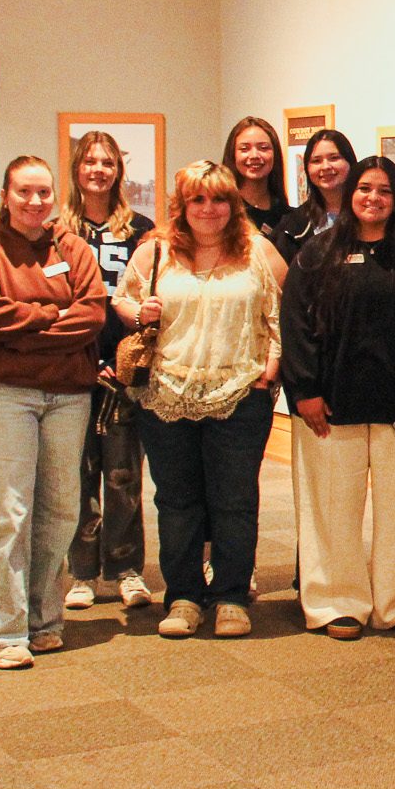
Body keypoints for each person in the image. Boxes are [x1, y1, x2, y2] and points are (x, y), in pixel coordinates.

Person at [114, 161, 285, 639]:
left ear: (233, 204)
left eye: (219, 199)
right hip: (165, 394)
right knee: (178, 502)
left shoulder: (258, 252)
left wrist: (270, 371)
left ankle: (230, 595)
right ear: (182, 205)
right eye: (198, 199)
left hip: (239, 395)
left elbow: (286, 315)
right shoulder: (156, 252)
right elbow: (121, 300)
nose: (209, 209)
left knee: (234, 500)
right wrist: (136, 312)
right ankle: (184, 596)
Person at [281, 156, 395, 640]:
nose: (373, 198)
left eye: (385, 190)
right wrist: (304, 390)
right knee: (330, 508)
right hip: (330, 407)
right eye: (365, 188)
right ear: (351, 194)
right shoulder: (317, 253)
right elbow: (297, 326)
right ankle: (335, 601)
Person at [0, 156, 106, 669]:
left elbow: (92, 315)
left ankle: (43, 620)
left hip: (69, 396)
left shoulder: (73, 248)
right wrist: (52, 316)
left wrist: (28, 332)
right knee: (9, 512)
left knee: (62, 509)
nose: (35, 201)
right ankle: (0, 634)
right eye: (24, 191)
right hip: (6, 394)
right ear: (5, 194)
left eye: (44, 192)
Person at [58, 132, 156, 612]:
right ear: (76, 168)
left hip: (126, 371)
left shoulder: (140, 228)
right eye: (90, 161)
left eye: (108, 162)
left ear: (119, 170)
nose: (98, 170)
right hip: (70, 369)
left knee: (123, 475)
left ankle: (127, 568)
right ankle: (81, 572)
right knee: (77, 475)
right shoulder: (56, 230)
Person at [270, 129, 354, 265]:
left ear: (350, 162)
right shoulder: (293, 226)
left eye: (334, 158)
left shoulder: (367, 216)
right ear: (307, 169)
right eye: (316, 161)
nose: (326, 166)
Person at [224, 116, 291, 237]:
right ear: (233, 154)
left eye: (263, 148)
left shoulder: (289, 217)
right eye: (244, 149)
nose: (254, 155)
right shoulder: (223, 212)